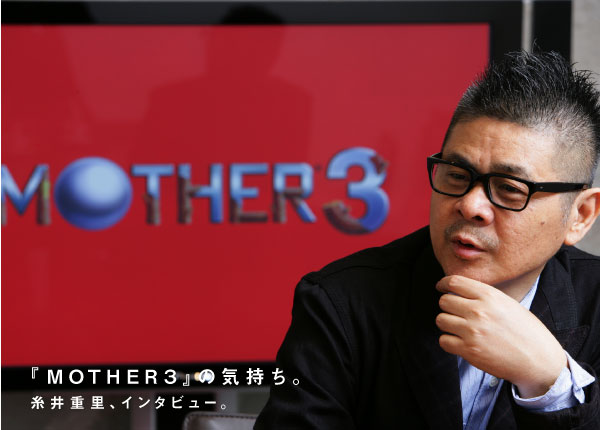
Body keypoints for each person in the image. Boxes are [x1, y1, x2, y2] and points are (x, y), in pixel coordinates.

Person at [254, 50, 600, 430]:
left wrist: (551, 383)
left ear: (580, 215)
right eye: (457, 175)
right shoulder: (341, 303)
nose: (470, 205)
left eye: (509, 188)